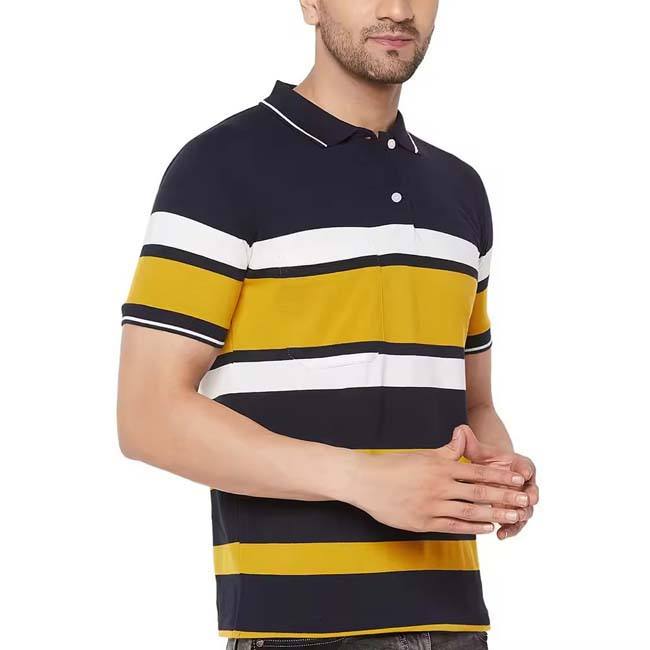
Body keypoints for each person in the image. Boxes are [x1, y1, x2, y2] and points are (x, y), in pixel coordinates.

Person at [117, 1, 539, 648]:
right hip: (297, 631)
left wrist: (499, 474)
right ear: (310, 3)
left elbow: (474, 404)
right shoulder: (219, 168)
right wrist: (362, 480)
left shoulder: (460, 189)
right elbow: (147, 415)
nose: (397, 9)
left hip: (455, 623)